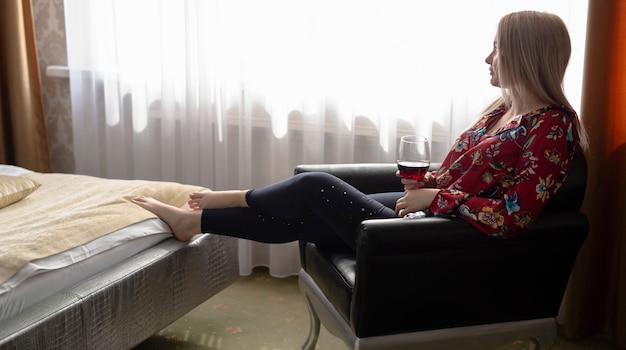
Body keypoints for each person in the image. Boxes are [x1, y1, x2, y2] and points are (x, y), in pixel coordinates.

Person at [132, 10, 588, 252]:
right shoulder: (501, 111)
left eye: (497, 48)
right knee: (306, 218)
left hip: (439, 237)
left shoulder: (552, 127)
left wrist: (437, 198)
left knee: (314, 186)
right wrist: (428, 184)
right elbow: (460, 177)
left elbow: (514, 216)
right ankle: (193, 222)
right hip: (432, 216)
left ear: (525, 55)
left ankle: (225, 199)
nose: (488, 58)